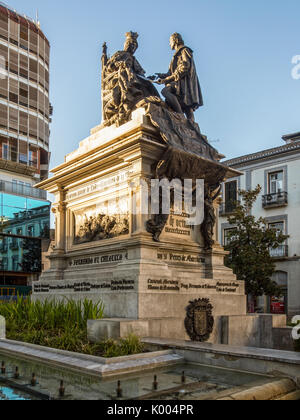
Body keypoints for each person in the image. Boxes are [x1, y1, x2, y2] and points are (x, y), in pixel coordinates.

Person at [154, 33, 203, 121]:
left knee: (165, 91)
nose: (169, 44)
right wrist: (160, 76)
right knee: (188, 108)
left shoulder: (184, 51)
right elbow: (170, 72)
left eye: (170, 41)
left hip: (183, 83)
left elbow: (184, 67)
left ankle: (180, 114)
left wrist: (166, 80)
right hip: (179, 81)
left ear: (175, 40)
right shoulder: (178, 54)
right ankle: (191, 126)